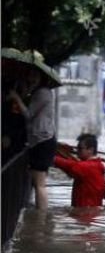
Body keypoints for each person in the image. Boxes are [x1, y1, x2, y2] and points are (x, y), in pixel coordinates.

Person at [8, 65, 58, 210]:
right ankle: (39, 216)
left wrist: (17, 98)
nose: (31, 78)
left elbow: (28, 115)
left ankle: (41, 219)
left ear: (42, 77)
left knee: (39, 184)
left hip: (42, 141)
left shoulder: (42, 93)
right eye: (30, 75)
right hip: (41, 140)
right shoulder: (40, 92)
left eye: (35, 76)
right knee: (38, 182)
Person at [53, 134, 105, 207]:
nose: (77, 151)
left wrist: (51, 155)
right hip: (89, 212)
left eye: (80, 148)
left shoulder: (88, 167)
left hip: (86, 214)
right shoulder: (97, 165)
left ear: (91, 150)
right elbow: (72, 165)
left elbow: (67, 165)